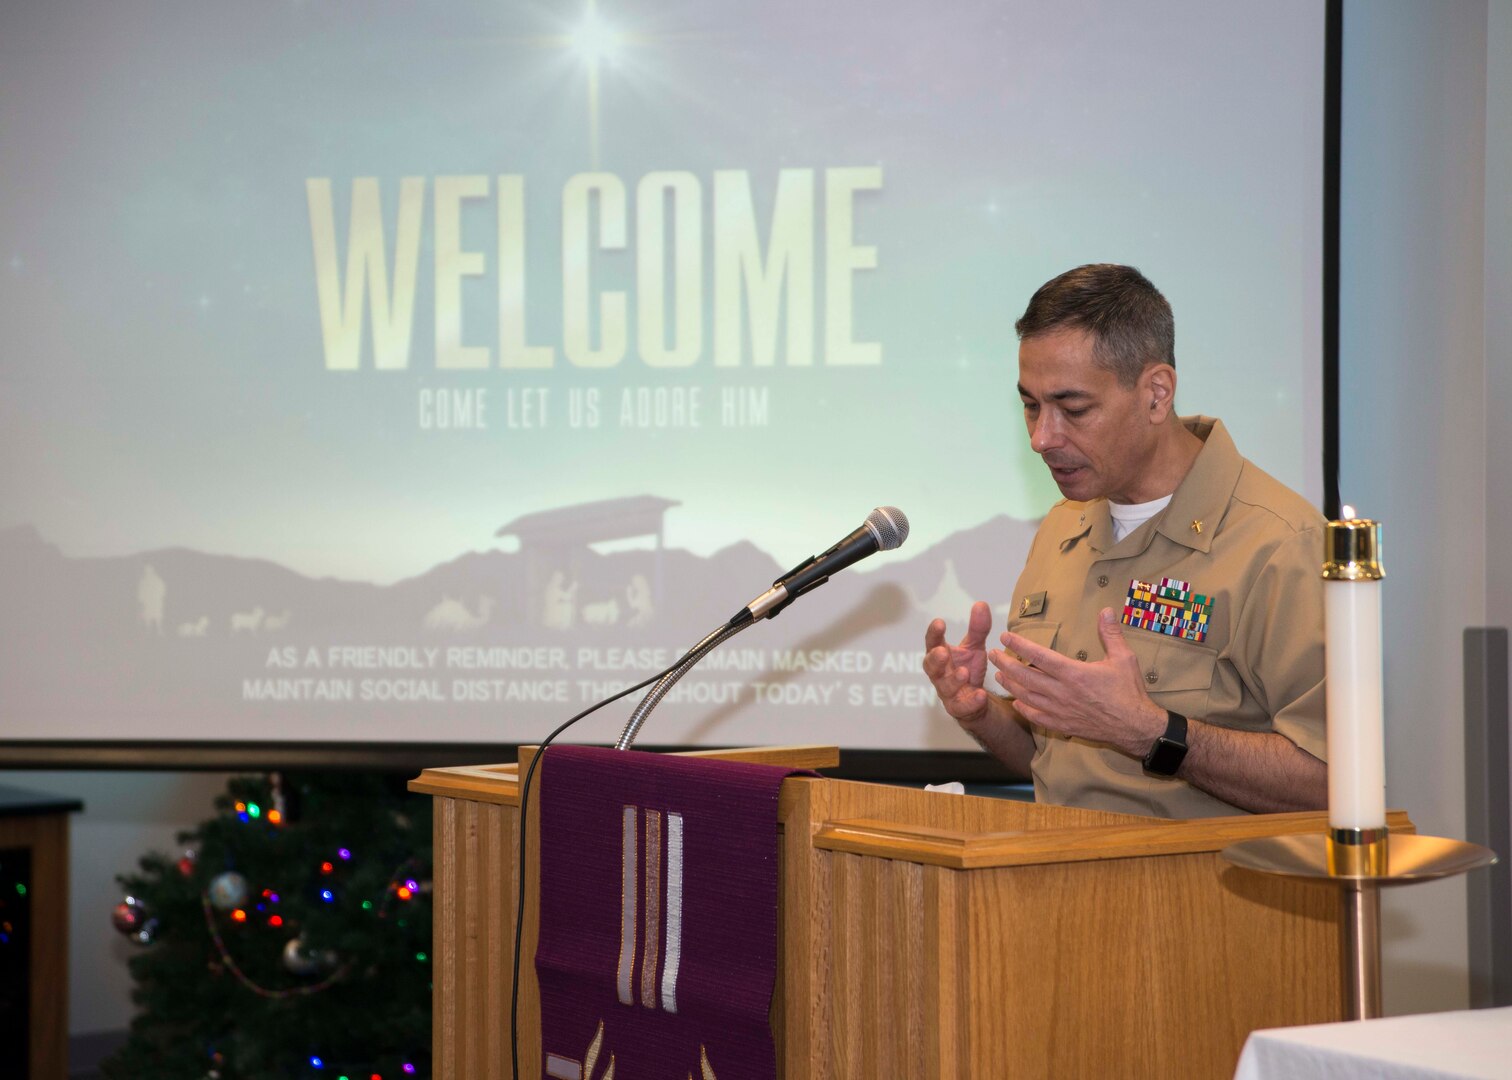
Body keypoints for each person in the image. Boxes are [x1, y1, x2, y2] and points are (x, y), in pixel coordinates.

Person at [923, 264, 1327, 817]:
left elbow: (1334, 782)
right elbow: (1061, 763)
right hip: (1057, 888)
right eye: (1031, 405)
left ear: (1157, 394)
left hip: (1204, 897)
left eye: (1074, 408)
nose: (1042, 437)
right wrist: (981, 715)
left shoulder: (1280, 544)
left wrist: (1150, 732)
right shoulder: (1063, 528)